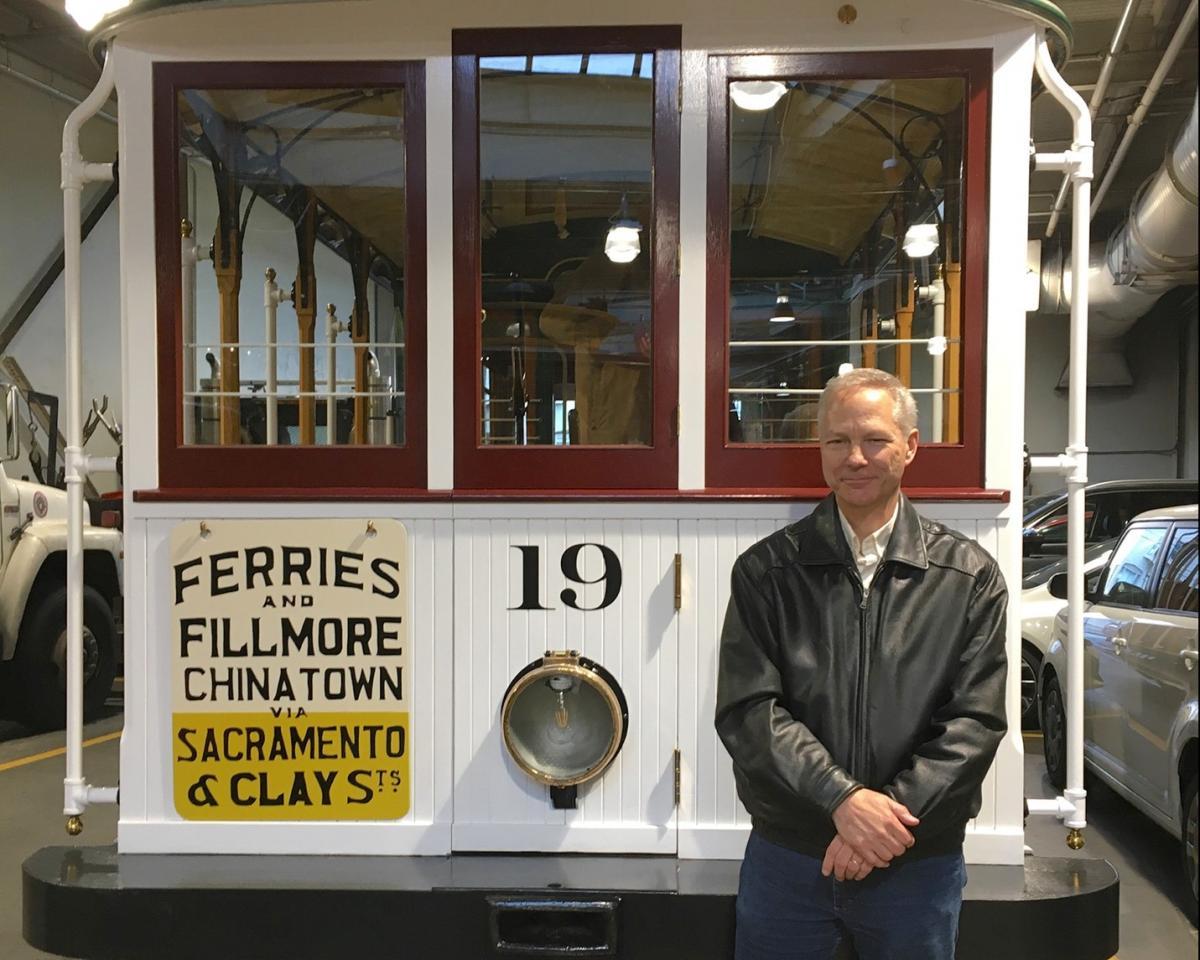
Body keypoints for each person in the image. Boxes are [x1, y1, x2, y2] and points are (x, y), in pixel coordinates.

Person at [715, 367, 1008, 960]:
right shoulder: (766, 572)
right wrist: (842, 801)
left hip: (915, 863)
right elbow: (749, 711)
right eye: (836, 441)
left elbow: (974, 723)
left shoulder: (970, 577)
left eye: (874, 439)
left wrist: (883, 826)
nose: (855, 457)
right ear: (820, 449)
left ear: (910, 446)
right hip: (791, 859)